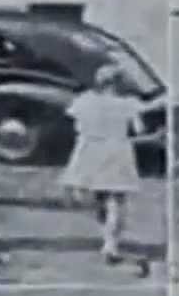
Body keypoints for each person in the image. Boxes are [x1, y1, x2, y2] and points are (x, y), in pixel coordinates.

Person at [60, 63, 156, 267]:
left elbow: (75, 124)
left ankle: (108, 240)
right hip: (116, 151)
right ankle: (111, 244)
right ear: (118, 83)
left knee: (98, 196)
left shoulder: (84, 100)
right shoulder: (128, 104)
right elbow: (139, 130)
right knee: (116, 200)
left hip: (89, 150)